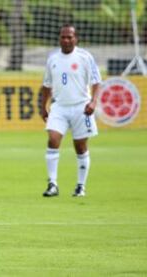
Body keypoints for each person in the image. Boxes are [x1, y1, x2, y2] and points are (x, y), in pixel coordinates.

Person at [40, 24, 101, 197]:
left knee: (80, 147)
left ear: (76, 39)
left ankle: (81, 186)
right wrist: (43, 107)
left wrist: (93, 102)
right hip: (59, 106)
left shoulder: (85, 57)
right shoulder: (52, 59)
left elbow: (97, 82)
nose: (66, 40)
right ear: (59, 39)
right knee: (53, 140)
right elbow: (46, 85)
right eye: (63, 37)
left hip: (82, 107)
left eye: (69, 37)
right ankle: (52, 184)